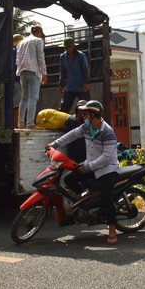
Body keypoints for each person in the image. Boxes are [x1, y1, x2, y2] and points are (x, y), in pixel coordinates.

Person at [47, 100, 120, 244]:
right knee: (69, 180)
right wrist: (54, 144)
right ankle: (89, 203)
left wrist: (88, 167)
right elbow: (72, 135)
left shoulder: (107, 131)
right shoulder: (87, 127)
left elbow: (107, 157)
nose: (83, 116)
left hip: (107, 169)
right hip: (91, 165)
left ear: (94, 114)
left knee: (106, 198)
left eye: (86, 113)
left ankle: (112, 230)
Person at [16, 25, 48, 129]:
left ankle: (20, 124)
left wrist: (20, 71)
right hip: (34, 72)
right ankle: (30, 123)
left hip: (23, 72)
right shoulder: (38, 41)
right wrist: (44, 73)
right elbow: (40, 57)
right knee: (33, 98)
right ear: (39, 32)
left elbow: (18, 60)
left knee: (24, 98)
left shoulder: (21, 43)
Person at [58, 38, 91, 113]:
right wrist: (61, 84)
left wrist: (86, 83)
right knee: (63, 108)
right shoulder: (62, 57)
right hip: (69, 87)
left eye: (69, 47)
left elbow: (85, 69)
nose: (67, 49)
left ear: (73, 47)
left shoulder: (81, 55)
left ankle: (90, 123)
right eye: (66, 47)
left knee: (88, 107)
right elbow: (62, 71)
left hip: (81, 86)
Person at [64, 100, 88, 164]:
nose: (81, 112)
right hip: (73, 150)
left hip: (85, 151)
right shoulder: (70, 120)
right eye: (80, 109)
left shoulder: (88, 121)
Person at [12, 34, 25, 128]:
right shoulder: (15, 51)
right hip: (15, 80)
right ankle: (17, 124)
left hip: (11, 80)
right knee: (17, 103)